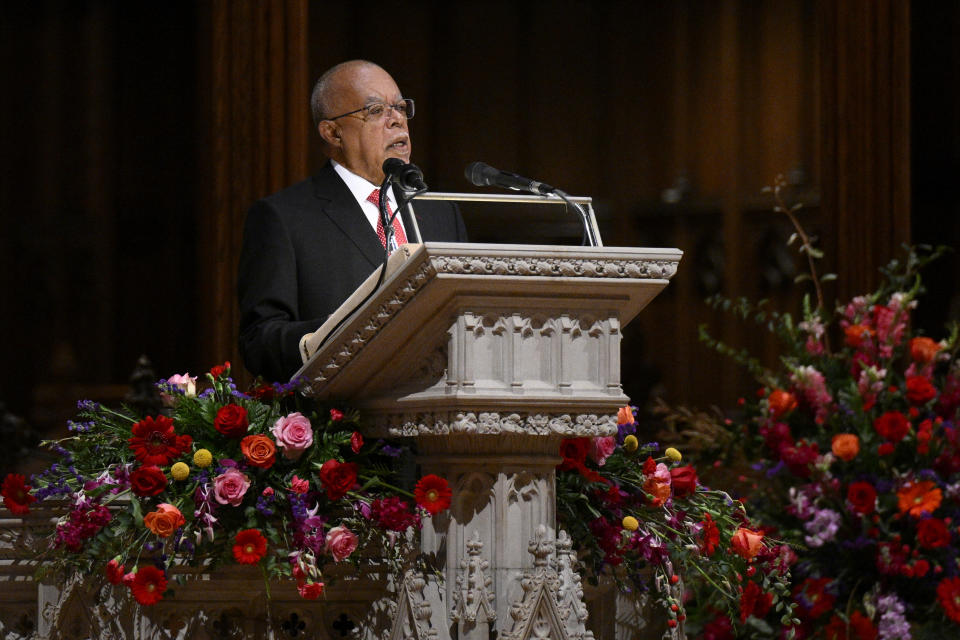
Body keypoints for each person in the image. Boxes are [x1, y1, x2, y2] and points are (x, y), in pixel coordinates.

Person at [237, 60, 467, 382]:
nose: (397, 119)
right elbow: (259, 341)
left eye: (400, 107)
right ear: (333, 133)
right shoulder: (284, 218)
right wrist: (340, 332)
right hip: (347, 417)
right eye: (375, 111)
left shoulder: (440, 212)